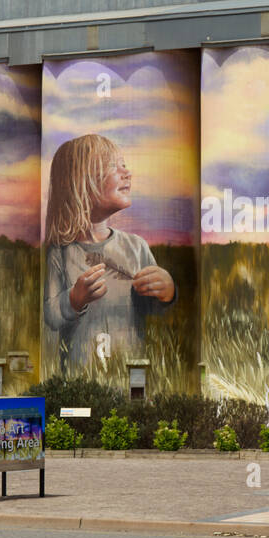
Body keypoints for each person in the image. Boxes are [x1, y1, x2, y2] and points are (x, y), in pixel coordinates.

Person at [43, 134, 175, 370]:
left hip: (129, 376)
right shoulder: (60, 254)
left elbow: (153, 311)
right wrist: (74, 299)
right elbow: (51, 317)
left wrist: (167, 292)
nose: (127, 173)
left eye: (124, 165)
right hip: (79, 381)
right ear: (80, 183)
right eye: (114, 166)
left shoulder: (136, 247)